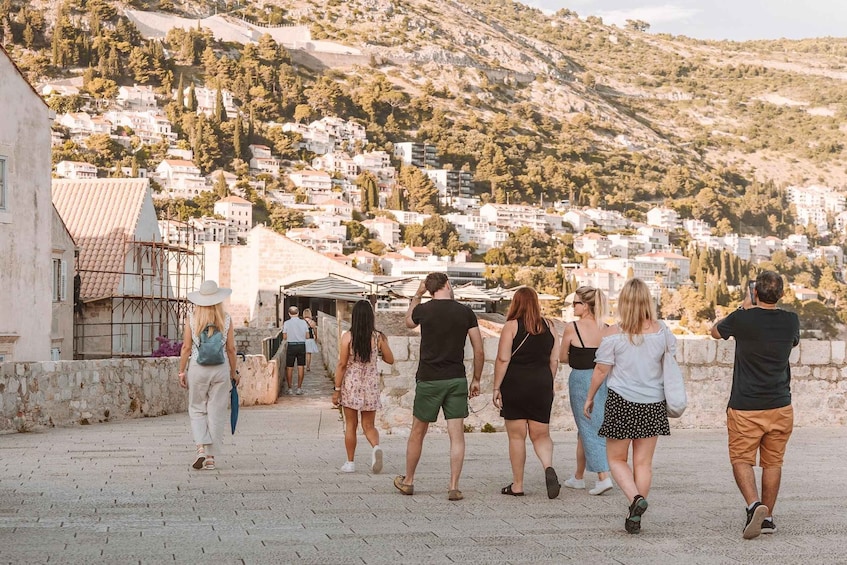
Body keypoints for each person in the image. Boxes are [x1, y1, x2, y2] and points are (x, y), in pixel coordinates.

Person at [710, 270, 799, 539]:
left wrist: (742, 306)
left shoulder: (742, 319)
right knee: (773, 463)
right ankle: (768, 517)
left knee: (741, 459)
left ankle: (753, 505)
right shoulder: (791, 321)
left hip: (746, 406)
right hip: (780, 405)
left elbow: (715, 332)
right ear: (781, 294)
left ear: (755, 292)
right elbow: (793, 342)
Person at [584, 278, 672, 534]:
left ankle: (635, 500)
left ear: (623, 302)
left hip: (622, 401)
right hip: (653, 402)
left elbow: (601, 370)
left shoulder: (613, 334)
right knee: (643, 463)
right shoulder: (662, 331)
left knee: (616, 458)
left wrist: (589, 397)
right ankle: (636, 517)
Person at [394, 273, 484, 501]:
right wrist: (476, 379)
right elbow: (479, 349)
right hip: (456, 379)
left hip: (429, 379)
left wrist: (417, 294)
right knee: (457, 435)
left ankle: (409, 480)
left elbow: (408, 322)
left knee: (417, 432)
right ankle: (453, 486)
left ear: (430, 289)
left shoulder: (424, 310)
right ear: (448, 285)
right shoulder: (465, 312)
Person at [492, 287, 561, 498]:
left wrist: (496, 387)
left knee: (517, 436)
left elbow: (503, 359)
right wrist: (547, 383)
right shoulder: (549, 325)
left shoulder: (511, 326)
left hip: (516, 384)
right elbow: (554, 360)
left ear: (516, 303)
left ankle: (518, 485)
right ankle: (548, 467)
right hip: (541, 383)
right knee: (541, 435)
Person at [178, 280, 239, 471]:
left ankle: (200, 449)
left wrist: (181, 371)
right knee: (216, 411)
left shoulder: (192, 319)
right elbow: (231, 349)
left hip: (198, 367)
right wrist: (233, 372)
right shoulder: (226, 319)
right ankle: (211, 457)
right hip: (220, 368)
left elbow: (186, 347)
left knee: (197, 408)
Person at [560, 286, 614, 496]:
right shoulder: (607, 329)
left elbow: (563, 357)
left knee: (589, 427)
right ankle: (578, 477)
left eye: (575, 303)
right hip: (604, 379)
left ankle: (603, 476)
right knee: (588, 426)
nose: (573, 306)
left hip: (582, 379)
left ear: (586, 305)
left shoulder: (572, 328)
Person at [332, 300, 395, 473]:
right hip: (371, 384)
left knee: (351, 425)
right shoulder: (378, 337)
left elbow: (342, 364)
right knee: (369, 425)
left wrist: (336, 390)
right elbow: (390, 359)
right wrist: (380, 349)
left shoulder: (348, 337)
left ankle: (350, 463)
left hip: (351, 384)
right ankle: (375, 447)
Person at [283, 306, 309, 395]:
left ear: (289, 314)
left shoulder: (286, 323)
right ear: (298, 313)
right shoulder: (303, 323)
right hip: (301, 345)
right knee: (301, 367)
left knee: (289, 367)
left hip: (291, 346)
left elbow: (284, 337)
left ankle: (290, 388)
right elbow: (307, 336)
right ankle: (299, 388)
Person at [303, 308, 319, 372]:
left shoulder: (301, 322)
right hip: (310, 338)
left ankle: (301, 365)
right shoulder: (312, 322)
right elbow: (315, 331)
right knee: (308, 353)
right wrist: (316, 337)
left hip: (302, 338)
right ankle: (308, 366)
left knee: (302, 353)